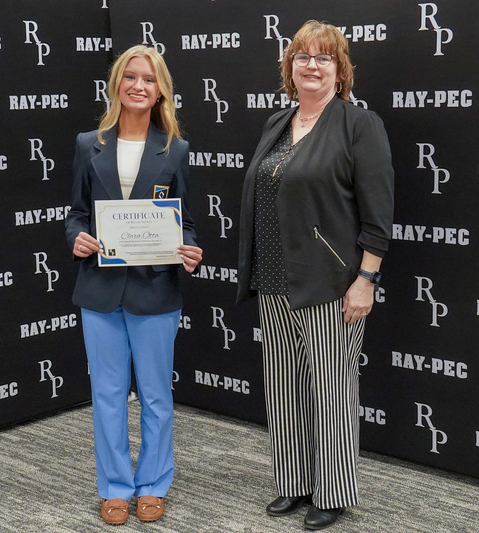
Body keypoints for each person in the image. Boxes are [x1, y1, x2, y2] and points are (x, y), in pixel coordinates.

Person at [237, 20, 394, 531]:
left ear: (339, 70)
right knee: (284, 387)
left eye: (323, 57)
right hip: (273, 280)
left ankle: (331, 490)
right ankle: (295, 481)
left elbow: (377, 212)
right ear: (289, 67)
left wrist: (366, 279)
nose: (311, 64)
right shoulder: (277, 123)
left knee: (331, 389)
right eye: (302, 56)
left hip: (332, 284)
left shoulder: (357, 124)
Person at [65, 44, 203, 526]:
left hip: (156, 291)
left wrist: (188, 249)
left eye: (149, 79)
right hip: (99, 291)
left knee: (156, 396)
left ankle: (154, 485)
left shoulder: (176, 148)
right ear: (117, 84)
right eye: (131, 77)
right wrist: (77, 238)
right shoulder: (89, 143)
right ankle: (115, 487)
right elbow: (76, 212)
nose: (139, 86)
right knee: (106, 395)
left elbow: (183, 220)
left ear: (161, 89)